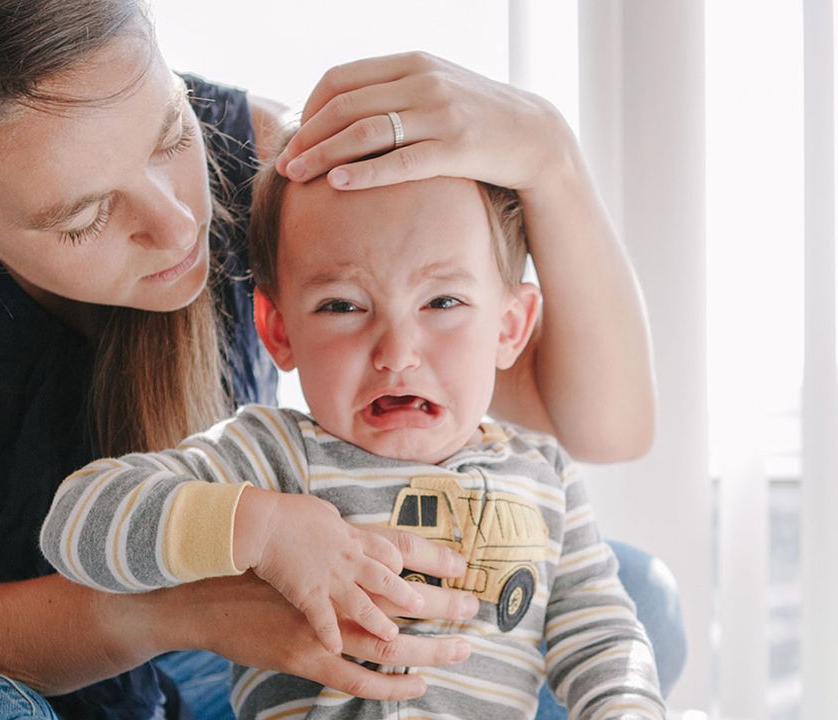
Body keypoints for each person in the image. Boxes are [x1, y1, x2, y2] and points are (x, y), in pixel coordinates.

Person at [0, 1, 679, 718]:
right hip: (17, 681)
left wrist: (550, 159)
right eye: (86, 216)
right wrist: (184, 603)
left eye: (170, 133)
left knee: (630, 596)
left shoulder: (275, 162)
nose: (180, 222)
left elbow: (603, 424)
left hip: (228, 670)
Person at [40, 150, 666, 718]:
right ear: (279, 330)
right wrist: (262, 529)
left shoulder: (544, 474)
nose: (396, 352)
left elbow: (600, 634)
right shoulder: (275, 455)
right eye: (343, 305)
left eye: (442, 302)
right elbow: (74, 524)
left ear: (510, 325)